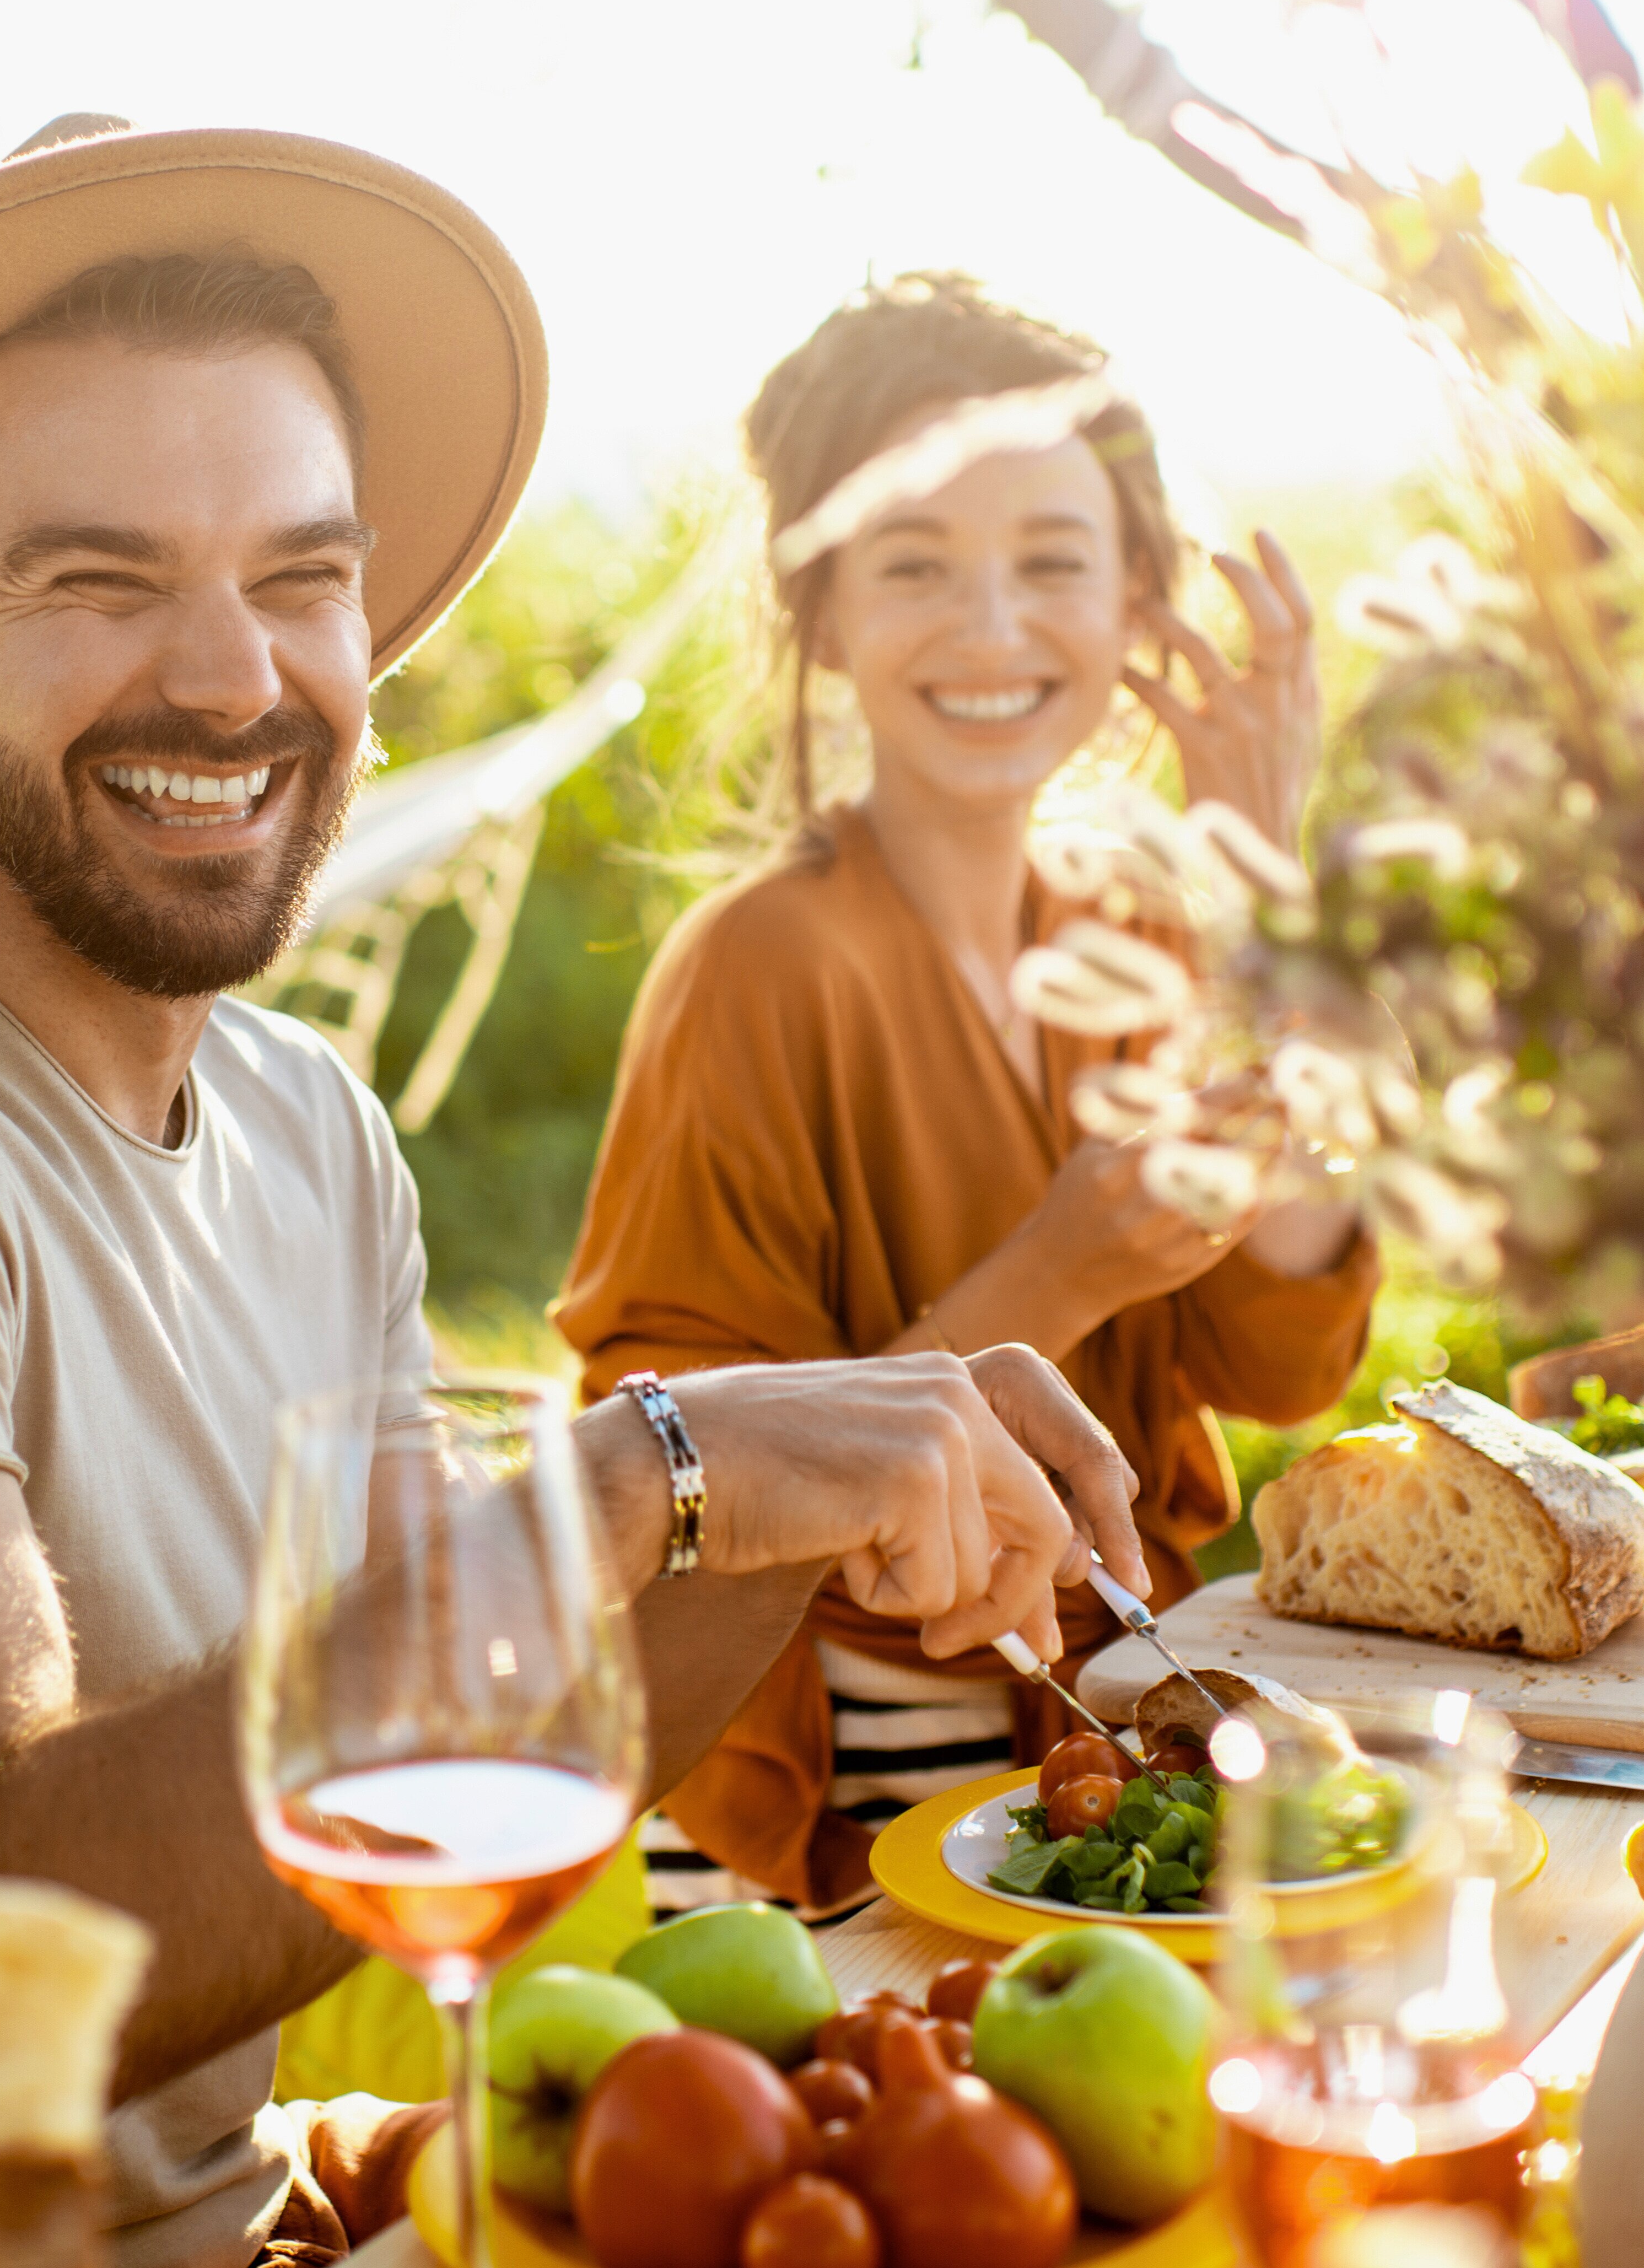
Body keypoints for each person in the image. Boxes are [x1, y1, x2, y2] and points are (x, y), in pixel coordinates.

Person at [0, 130, 1146, 2268]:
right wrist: (650, 1468)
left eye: (300, 573)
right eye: (97, 578)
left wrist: (839, 1459)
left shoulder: (305, 1127)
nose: (236, 680)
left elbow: (463, 1723)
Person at [556, 274, 1380, 1917]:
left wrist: (1259, 877)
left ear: (1143, 599)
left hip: (1111, 1720)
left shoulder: (1147, 931)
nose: (994, 628)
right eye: (917, 566)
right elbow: (685, 1498)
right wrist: (1065, 1268)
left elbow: (1291, 1352)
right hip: (836, 1772)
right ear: (821, 609)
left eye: (1053, 564)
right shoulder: (754, 973)